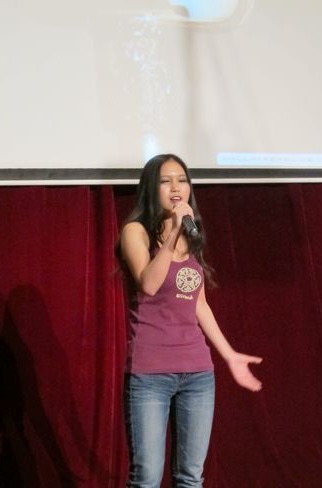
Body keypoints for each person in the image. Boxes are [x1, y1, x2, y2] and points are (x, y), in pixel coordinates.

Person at [117, 154, 263, 488]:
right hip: (150, 374)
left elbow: (200, 304)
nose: (175, 187)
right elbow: (149, 284)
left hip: (197, 374)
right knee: (146, 478)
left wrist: (229, 355)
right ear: (151, 188)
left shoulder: (191, 235)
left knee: (191, 478)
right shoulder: (135, 232)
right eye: (165, 181)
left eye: (181, 180)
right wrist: (171, 237)